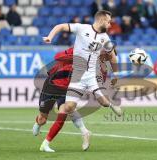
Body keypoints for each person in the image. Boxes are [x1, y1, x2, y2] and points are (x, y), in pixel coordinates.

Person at [40, 10, 122, 152]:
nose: (110, 25)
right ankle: (85, 133)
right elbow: (60, 26)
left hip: (90, 76)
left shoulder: (105, 38)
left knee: (102, 102)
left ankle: (111, 105)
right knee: (69, 107)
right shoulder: (82, 28)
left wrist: (116, 75)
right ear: (101, 20)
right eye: (108, 21)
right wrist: (50, 37)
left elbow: (113, 57)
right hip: (77, 77)